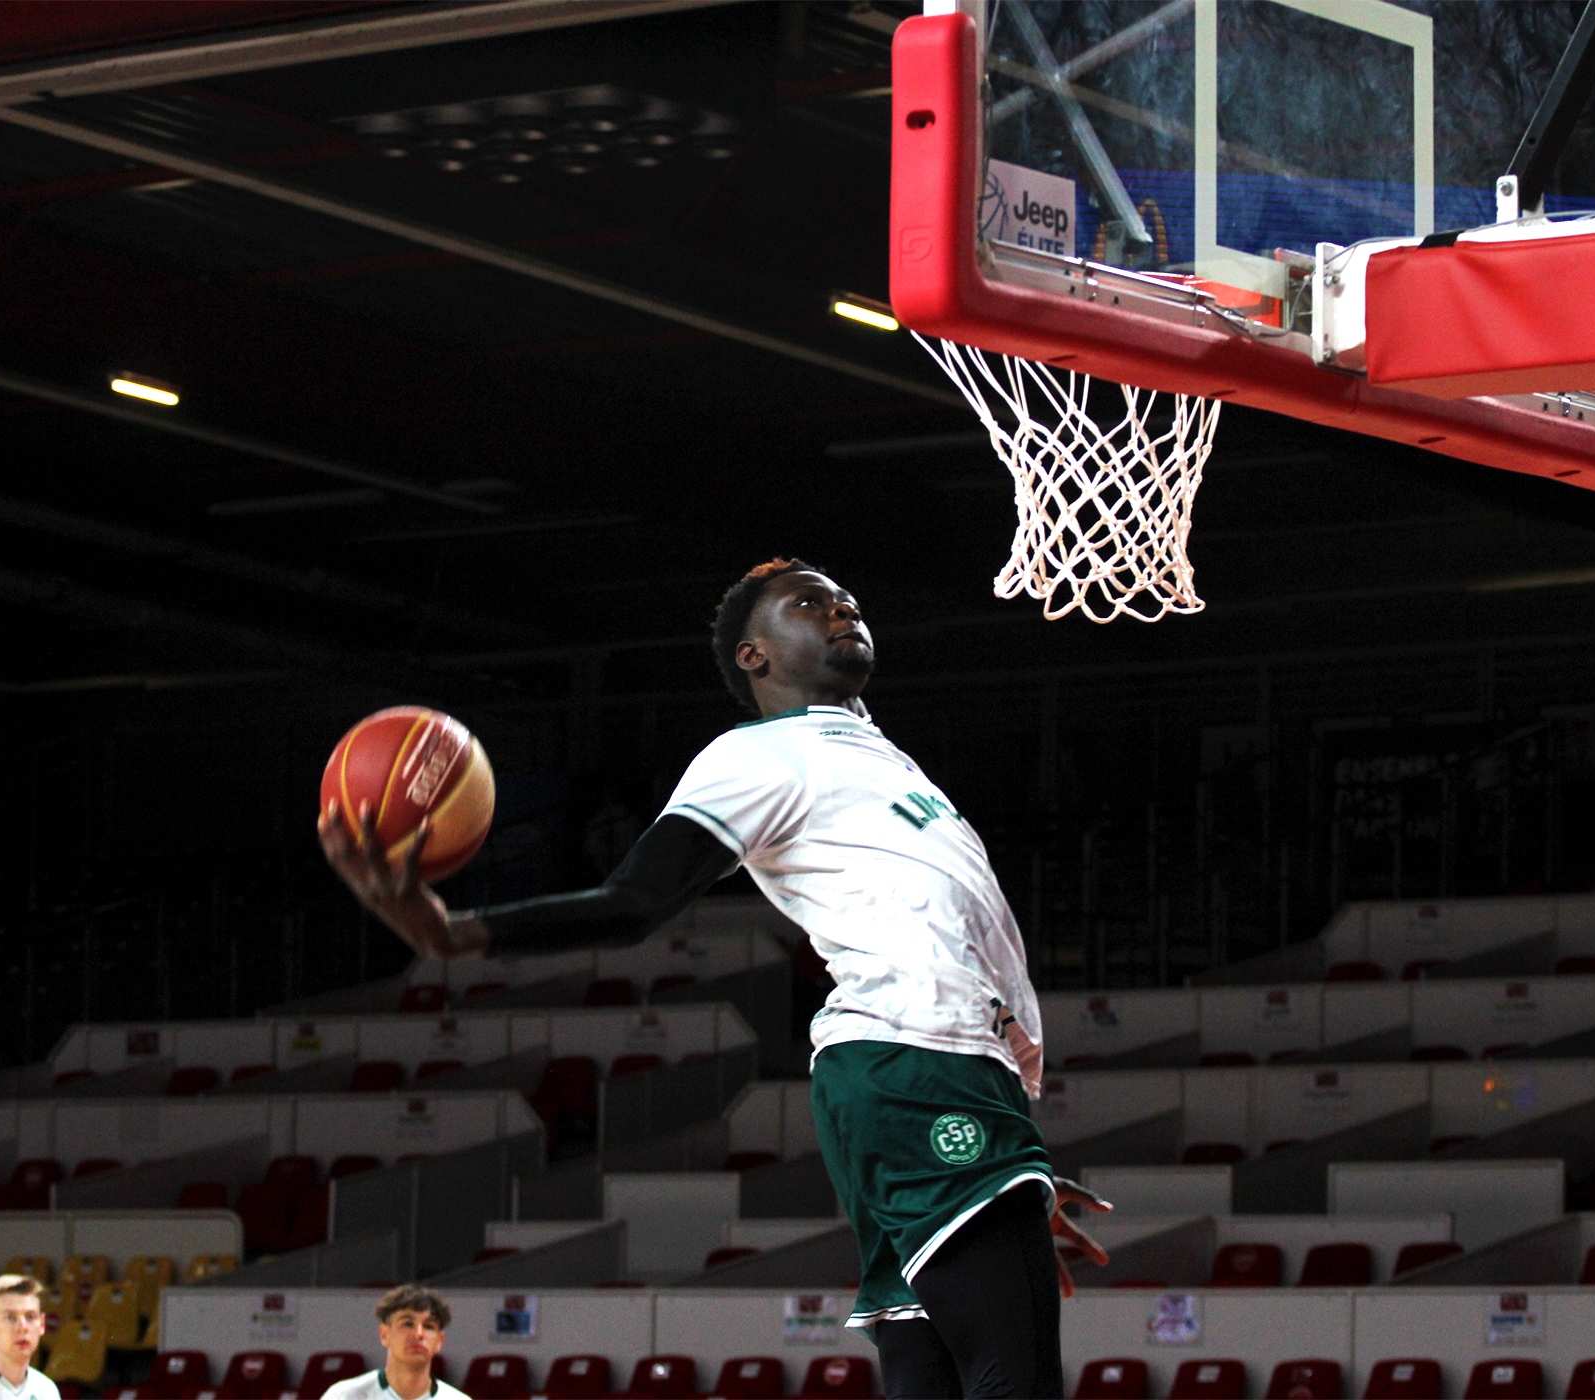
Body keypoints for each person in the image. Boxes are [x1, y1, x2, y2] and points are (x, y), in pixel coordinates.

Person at [321, 559, 1111, 1399]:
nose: (841, 609)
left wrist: (997, 1165)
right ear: (753, 656)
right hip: (917, 1059)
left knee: (935, 1373)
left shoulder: (875, 753)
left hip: (930, 1081)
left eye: (846, 599)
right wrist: (456, 932)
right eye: (809, 603)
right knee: (1016, 1377)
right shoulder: (760, 754)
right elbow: (634, 899)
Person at [317, 1286, 468, 1400]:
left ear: (439, 1341)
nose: (418, 1334)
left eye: (429, 1326)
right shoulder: (343, 1396)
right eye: (407, 1324)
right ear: (384, 1334)